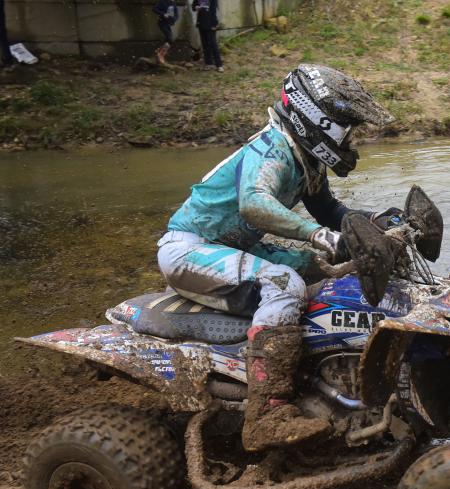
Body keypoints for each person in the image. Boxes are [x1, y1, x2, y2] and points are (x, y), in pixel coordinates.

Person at [157, 64, 394, 453]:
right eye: (346, 128)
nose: (351, 138)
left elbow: (330, 210)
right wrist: (318, 236)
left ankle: (322, 374)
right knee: (285, 284)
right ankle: (266, 414)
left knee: (328, 271)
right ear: (317, 120)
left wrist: (378, 222)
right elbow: (254, 204)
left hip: (232, 248)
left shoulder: (307, 160)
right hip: (190, 248)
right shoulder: (272, 148)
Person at [193, 0, 223, 72]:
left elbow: (214, 10)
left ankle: (219, 65)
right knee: (205, 44)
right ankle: (208, 64)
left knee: (213, 44)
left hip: (211, 24)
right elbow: (193, 6)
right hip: (201, 24)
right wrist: (196, 7)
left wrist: (215, 24)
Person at [152, 0, 179, 65]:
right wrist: (163, 14)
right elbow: (154, 9)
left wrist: (173, 19)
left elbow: (176, 14)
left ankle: (159, 51)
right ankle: (161, 54)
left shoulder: (173, 3)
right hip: (162, 23)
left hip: (168, 23)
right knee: (169, 38)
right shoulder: (162, 1)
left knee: (170, 40)